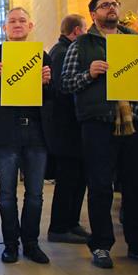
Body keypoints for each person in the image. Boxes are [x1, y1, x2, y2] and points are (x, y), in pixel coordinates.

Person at [61, 0, 138, 269]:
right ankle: (101, 245)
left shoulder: (136, 42)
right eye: (104, 5)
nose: (111, 8)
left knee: (137, 186)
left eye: (114, 4)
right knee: (100, 187)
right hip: (99, 124)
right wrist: (90, 73)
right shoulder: (82, 45)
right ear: (93, 14)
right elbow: (67, 84)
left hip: (134, 121)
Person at [0, 7, 53, 264]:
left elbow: (53, 98)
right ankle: (10, 243)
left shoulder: (41, 56)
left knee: (35, 193)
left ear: (30, 26)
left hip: (35, 131)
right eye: (12, 21)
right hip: (5, 131)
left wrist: (47, 83)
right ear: (4, 28)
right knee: (6, 192)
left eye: (22, 21)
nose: (17, 24)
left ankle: (31, 242)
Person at [46, 14, 91, 244]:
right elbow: (63, 90)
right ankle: (60, 226)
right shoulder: (63, 53)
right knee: (68, 178)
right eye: (84, 30)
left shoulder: (61, 50)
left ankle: (71, 222)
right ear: (75, 31)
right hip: (67, 128)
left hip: (71, 128)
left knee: (77, 177)